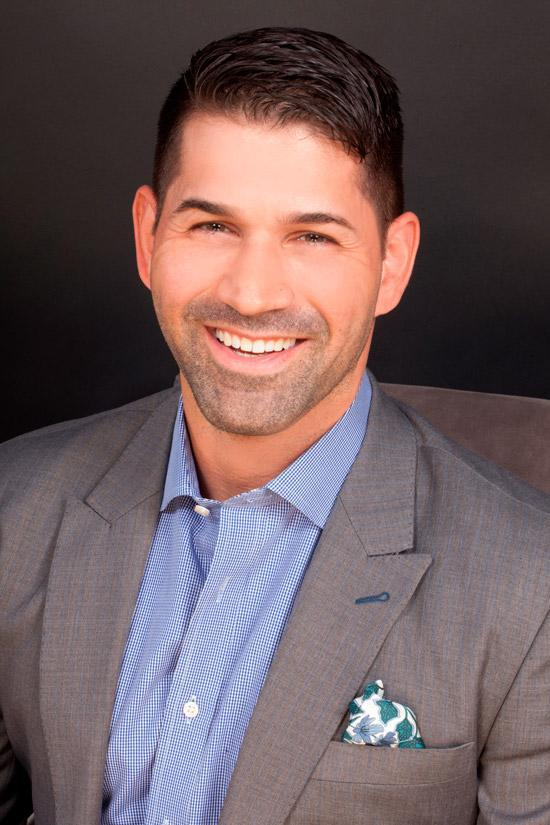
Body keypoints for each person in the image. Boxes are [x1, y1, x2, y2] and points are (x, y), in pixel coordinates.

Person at [1, 26, 549, 825]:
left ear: (392, 263)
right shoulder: (13, 509)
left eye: (313, 236)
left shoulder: (532, 590)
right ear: (148, 237)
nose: (252, 293)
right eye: (212, 226)